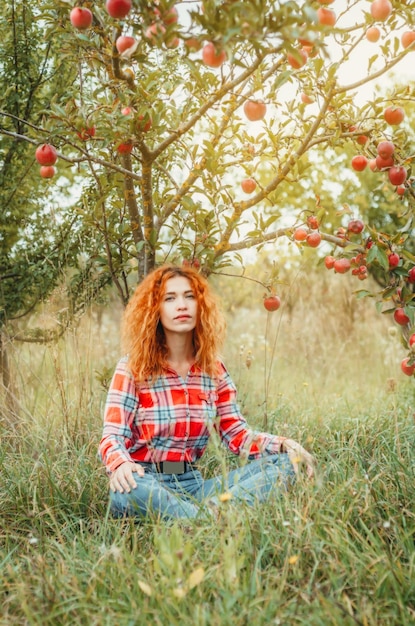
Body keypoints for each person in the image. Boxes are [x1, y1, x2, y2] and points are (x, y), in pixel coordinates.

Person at [99, 264, 315, 520]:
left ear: (200, 305)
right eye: (170, 298)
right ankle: (212, 518)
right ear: (154, 309)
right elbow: (113, 436)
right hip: (146, 481)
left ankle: (195, 518)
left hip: (194, 485)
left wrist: (283, 444)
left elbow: (236, 434)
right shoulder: (133, 367)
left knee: (289, 464)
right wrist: (121, 464)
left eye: (190, 296)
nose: (182, 305)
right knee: (126, 492)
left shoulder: (213, 370)